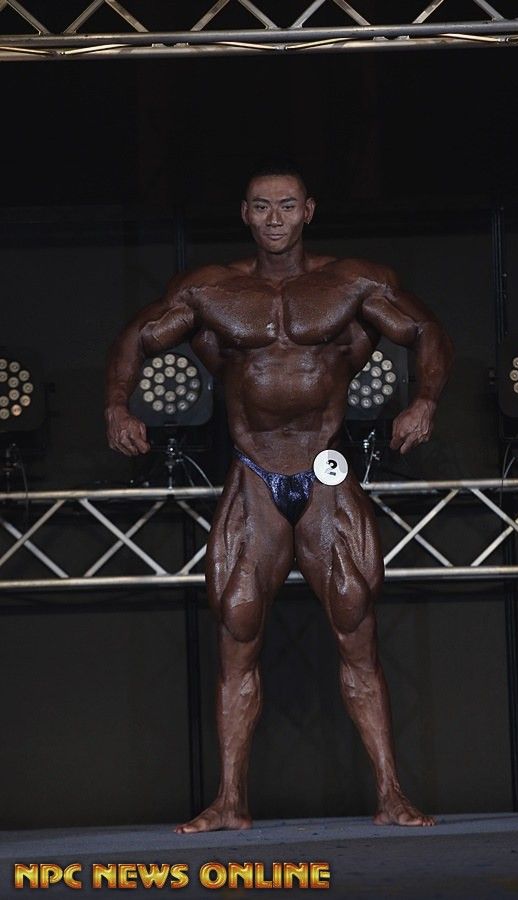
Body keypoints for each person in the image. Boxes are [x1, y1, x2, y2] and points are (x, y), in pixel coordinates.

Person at [105, 161, 454, 833]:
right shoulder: (209, 290)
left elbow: (425, 331)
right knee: (237, 632)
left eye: (286, 205)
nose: (274, 218)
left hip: (325, 471)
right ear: (245, 214)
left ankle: (391, 794)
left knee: (356, 628)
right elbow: (137, 337)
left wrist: (426, 401)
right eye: (261, 206)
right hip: (254, 473)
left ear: (308, 211)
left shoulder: (352, 283)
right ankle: (230, 801)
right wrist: (117, 406)